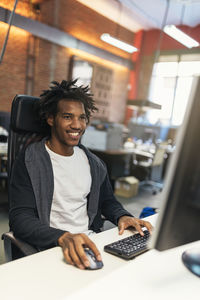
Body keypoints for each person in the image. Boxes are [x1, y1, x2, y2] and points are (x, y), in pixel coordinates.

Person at [9, 79, 153, 270]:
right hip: (52, 246)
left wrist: (122, 217)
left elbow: (107, 201)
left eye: (82, 117)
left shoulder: (93, 163)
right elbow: (20, 217)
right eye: (68, 117)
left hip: (90, 243)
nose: (77, 125)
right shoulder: (30, 160)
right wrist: (63, 236)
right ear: (51, 118)